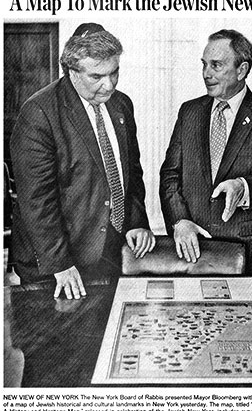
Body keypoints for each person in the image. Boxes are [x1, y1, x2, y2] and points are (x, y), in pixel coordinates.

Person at [10, 22, 155, 299]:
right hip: (54, 264)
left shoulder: (121, 104)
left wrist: (137, 220)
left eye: (115, 72)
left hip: (108, 252)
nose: (109, 84)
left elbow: (131, 172)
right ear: (71, 71)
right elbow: (36, 200)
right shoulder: (39, 112)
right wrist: (61, 263)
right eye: (97, 76)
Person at [160, 29, 252, 279]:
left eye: (216, 65)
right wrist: (179, 221)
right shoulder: (189, 112)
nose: (207, 74)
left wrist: (244, 186)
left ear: (241, 70)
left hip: (245, 246)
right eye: (204, 65)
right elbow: (170, 175)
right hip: (192, 246)